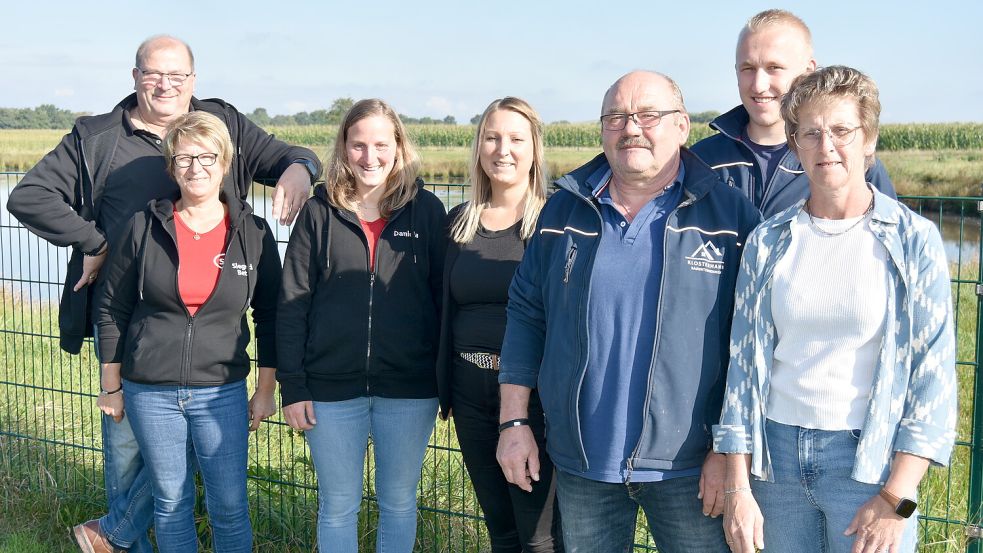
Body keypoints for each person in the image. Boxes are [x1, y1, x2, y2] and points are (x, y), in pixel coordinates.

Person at [5, 35, 320, 553]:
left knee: (194, 470)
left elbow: (293, 155)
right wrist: (95, 241)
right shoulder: (97, 137)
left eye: (177, 76)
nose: (165, 85)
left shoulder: (226, 125)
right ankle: (126, 541)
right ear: (134, 77)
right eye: (154, 74)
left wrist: (298, 168)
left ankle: (113, 534)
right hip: (134, 337)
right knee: (130, 458)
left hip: (215, 343)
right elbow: (29, 195)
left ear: (193, 82)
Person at [496, 71, 761, 553]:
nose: (631, 128)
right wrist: (514, 423)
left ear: (682, 127)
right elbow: (526, 315)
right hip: (583, 464)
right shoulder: (563, 211)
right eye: (616, 117)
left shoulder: (732, 218)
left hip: (691, 465)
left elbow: (751, 348)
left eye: (648, 115)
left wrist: (728, 450)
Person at [714, 66, 957, 553]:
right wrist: (738, 486)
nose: (827, 146)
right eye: (811, 133)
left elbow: (934, 378)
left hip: (868, 465)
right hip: (774, 464)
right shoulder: (770, 240)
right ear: (795, 144)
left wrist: (897, 498)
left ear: (868, 139)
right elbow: (741, 369)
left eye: (842, 130)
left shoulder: (913, 239)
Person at [93, 111, 280, 552]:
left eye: (207, 156)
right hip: (150, 392)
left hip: (222, 393)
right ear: (171, 166)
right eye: (184, 157)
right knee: (171, 503)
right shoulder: (144, 226)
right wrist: (111, 387)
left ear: (226, 162)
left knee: (231, 506)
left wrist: (266, 389)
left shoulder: (253, 233)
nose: (196, 167)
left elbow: (271, 314)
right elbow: (112, 308)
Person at [277, 98, 447, 553]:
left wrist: (445, 380)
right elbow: (292, 303)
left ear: (398, 146)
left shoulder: (427, 212)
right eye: (358, 145)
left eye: (380, 144)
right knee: (337, 505)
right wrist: (293, 386)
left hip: (410, 391)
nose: (369, 157)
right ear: (343, 149)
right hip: (330, 391)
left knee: (398, 503)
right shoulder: (318, 213)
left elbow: (444, 302)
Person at [436, 97, 562, 552]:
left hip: (536, 404)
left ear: (534, 150)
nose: (501, 149)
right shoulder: (458, 224)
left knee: (539, 537)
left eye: (515, 138)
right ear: (478, 147)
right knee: (501, 531)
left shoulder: (554, 222)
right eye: (491, 137)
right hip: (471, 399)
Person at [690, 9, 896, 218]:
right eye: (748, 68)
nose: (759, 85)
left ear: (808, 71)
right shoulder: (701, 161)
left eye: (774, 67)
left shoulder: (851, 161)